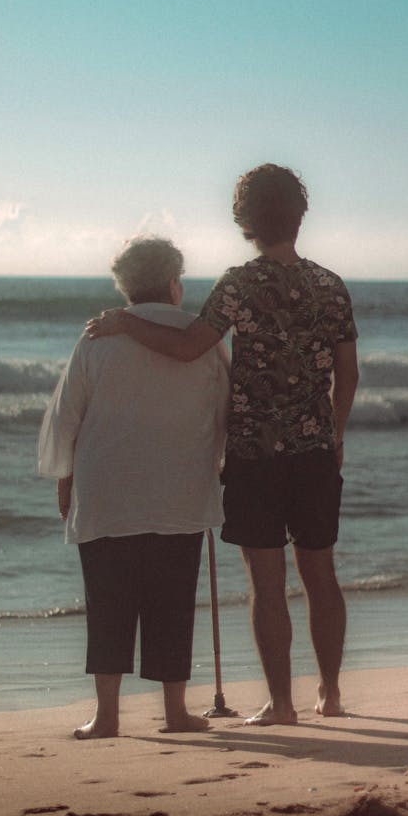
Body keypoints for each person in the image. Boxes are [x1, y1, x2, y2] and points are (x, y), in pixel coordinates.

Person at [87, 164, 359, 726]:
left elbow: (191, 346)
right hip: (313, 451)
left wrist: (125, 323)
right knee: (320, 574)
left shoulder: (239, 282)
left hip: (255, 454)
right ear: (298, 216)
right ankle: (330, 694)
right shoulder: (330, 285)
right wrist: (335, 432)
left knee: (268, 583)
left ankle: (281, 704)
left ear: (247, 222)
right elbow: (348, 374)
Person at [38, 236, 229, 738]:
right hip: (180, 487)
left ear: (125, 287)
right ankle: (173, 713)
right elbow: (225, 410)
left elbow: (67, 415)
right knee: (172, 602)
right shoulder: (202, 336)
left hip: (107, 489)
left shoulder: (98, 336)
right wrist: (221, 467)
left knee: (108, 600)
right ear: (173, 284)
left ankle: (106, 716)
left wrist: (65, 478)